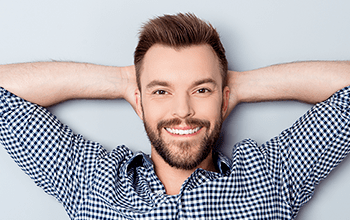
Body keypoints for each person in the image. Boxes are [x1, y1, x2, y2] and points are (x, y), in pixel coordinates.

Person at [0, 13, 349, 219]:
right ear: (139, 100)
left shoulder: (270, 177)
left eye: (201, 91)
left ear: (224, 101)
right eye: (161, 92)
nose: (182, 111)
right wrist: (124, 82)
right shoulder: (90, 181)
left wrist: (237, 86)